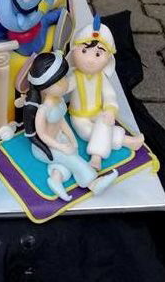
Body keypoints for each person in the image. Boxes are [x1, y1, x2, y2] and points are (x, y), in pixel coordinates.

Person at [23, 51, 118, 201]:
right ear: (45, 86)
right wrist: (60, 147)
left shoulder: (59, 100)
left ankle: (56, 179)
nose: (65, 83)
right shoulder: (43, 110)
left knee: (70, 156)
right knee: (73, 159)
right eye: (58, 82)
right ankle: (93, 183)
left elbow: (62, 122)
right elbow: (42, 135)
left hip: (59, 138)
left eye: (63, 78)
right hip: (44, 147)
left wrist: (71, 139)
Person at [68, 16, 144, 169]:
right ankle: (127, 141)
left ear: (108, 59)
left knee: (105, 122)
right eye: (84, 51)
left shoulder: (101, 77)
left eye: (98, 54)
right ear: (74, 51)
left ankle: (96, 157)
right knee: (87, 132)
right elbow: (63, 88)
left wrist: (110, 110)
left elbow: (109, 95)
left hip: (98, 112)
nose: (90, 60)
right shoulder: (74, 77)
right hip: (79, 117)